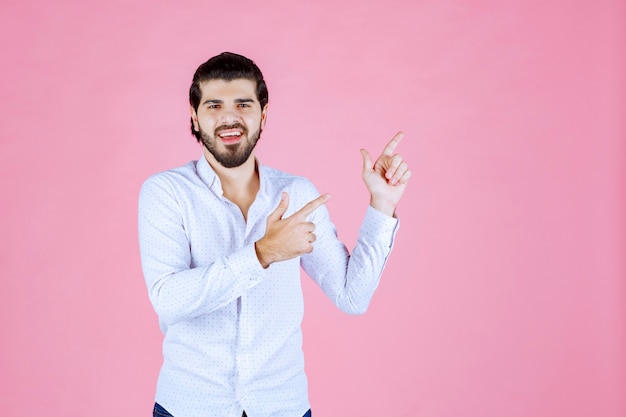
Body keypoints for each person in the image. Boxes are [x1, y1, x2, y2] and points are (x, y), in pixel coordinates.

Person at [138, 52, 411, 417]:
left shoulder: (296, 193)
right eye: (214, 105)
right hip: (188, 406)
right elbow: (168, 299)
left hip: (282, 407)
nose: (228, 117)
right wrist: (261, 253)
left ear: (263, 115)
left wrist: (382, 203)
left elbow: (352, 296)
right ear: (194, 115)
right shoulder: (166, 192)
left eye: (243, 104)